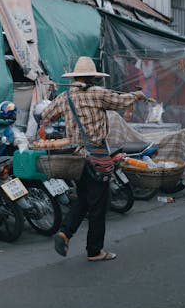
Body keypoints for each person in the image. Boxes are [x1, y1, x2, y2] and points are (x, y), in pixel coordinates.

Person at [40, 56, 148, 262]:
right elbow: (122, 101)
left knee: (84, 199)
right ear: (91, 77)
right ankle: (94, 251)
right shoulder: (98, 94)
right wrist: (138, 95)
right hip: (96, 157)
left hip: (75, 158)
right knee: (99, 205)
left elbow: (46, 115)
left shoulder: (65, 97)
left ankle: (65, 232)